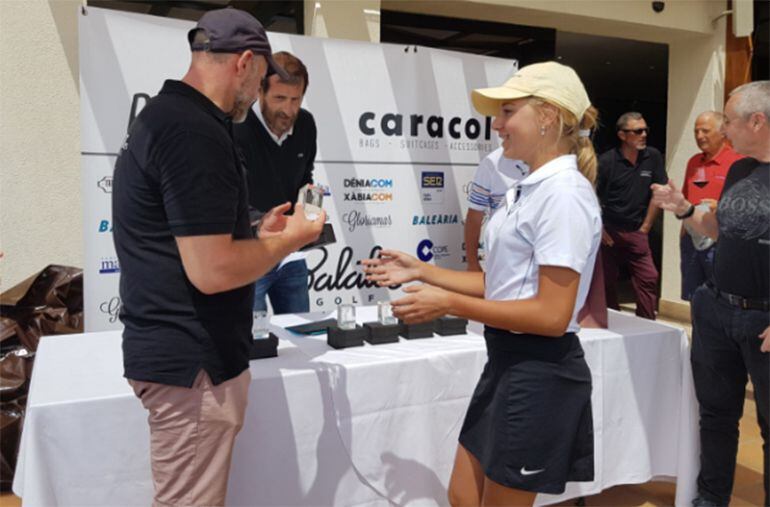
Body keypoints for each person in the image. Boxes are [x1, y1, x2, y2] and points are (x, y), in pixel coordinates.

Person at [363, 62, 601, 506]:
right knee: (462, 496)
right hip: (508, 364)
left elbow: (551, 315)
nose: (497, 125)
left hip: (540, 371)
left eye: (508, 111)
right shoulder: (531, 187)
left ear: (548, 116)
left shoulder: (563, 194)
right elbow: (503, 285)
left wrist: (448, 301)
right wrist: (423, 270)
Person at [111, 9, 324, 506]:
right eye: (263, 79)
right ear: (245, 63)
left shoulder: (171, 116)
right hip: (193, 364)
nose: (258, 95)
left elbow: (182, 232)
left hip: (184, 359)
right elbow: (212, 271)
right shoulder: (193, 131)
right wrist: (291, 239)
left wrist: (252, 230)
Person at [651, 81, 770, 507]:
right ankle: (710, 498)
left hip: (763, 321)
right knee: (717, 415)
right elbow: (720, 230)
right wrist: (685, 209)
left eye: (729, 120)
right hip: (718, 311)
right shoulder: (740, 170)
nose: (722, 128)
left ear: (757, 121)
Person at [234, 51, 316, 314]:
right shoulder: (236, 126)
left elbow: (306, 178)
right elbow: (230, 194)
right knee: (251, 343)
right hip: (249, 253)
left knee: (301, 334)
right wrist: (262, 223)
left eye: (296, 99)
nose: (288, 110)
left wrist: (310, 211)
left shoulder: (306, 124)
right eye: (279, 98)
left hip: (292, 254)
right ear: (260, 91)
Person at [596, 112, 668, 319]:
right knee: (606, 279)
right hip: (609, 232)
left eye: (645, 130)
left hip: (637, 230)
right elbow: (589, 197)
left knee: (648, 277)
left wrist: (646, 227)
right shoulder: (607, 161)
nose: (643, 134)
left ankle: (647, 323)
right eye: (637, 131)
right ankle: (611, 319)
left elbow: (659, 191)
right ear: (622, 135)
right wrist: (599, 228)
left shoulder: (652, 157)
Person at [679, 111, 742, 300]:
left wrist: (720, 206)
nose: (699, 136)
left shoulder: (738, 162)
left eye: (705, 131)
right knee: (695, 296)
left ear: (723, 132)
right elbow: (686, 198)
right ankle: (695, 330)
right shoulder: (693, 162)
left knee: (721, 297)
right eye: (696, 131)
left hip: (719, 241)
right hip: (692, 239)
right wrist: (684, 230)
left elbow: (746, 206)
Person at [464, 147, 528, 271]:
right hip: (503, 260)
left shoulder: (556, 161)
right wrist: (472, 263)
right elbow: (474, 217)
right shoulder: (492, 162)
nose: (496, 128)